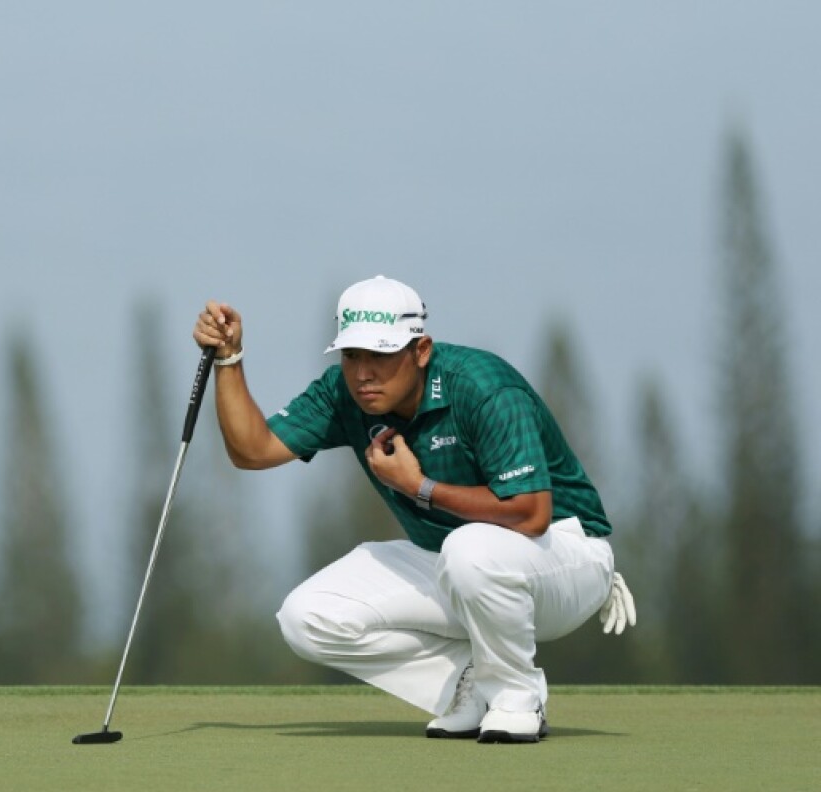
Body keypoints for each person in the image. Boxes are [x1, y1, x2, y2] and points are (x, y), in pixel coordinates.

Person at [192, 275, 636, 744]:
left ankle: (518, 695)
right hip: (456, 564)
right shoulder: (344, 394)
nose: (363, 373)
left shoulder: (483, 387)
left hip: (561, 557)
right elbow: (252, 450)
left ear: (420, 350)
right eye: (351, 356)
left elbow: (530, 514)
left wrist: (419, 487)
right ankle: (469, 684)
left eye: (380, 356)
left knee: (470, 551)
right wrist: (230, 359)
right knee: (307, 618)